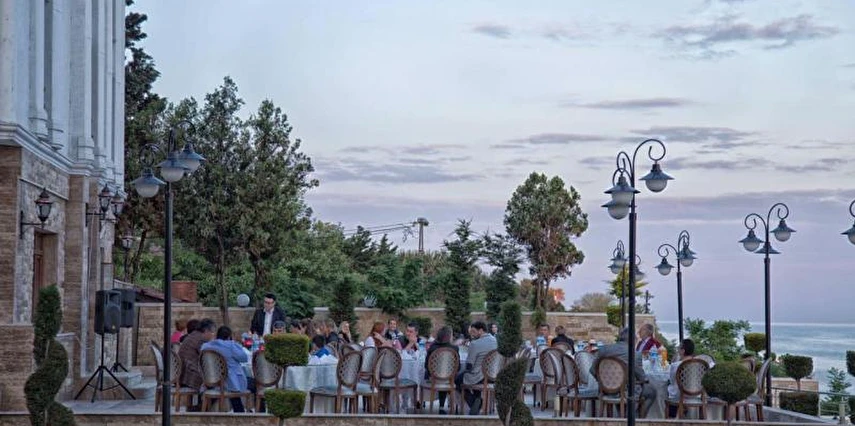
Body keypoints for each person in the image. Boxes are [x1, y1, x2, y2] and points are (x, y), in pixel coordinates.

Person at [592, 327, 656, 417]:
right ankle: (637, 418)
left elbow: (592, 370)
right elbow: (642, 378)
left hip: (606, 391)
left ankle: (623, 415)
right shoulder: (635, 354)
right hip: (626, 392)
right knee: (652, 391)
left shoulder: (603, 350)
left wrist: (604, 382)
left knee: (626, 387)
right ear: (633, 340)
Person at [456, 321, 497, 415]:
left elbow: (469, 365)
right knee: (471, 374)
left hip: (479, 377)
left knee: (457, 379)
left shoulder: (475, 344)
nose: (472, 334)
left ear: (481, 330)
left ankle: (474, 401)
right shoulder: (495, 340)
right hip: (493, 376)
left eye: (474, 332)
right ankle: (476, 401)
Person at [178, 318, 216, 410]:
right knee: (216, 384)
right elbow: (208, 357)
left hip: (183, 373)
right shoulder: (201, 339)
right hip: (190, 375)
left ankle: (200, 407)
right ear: (206, 331)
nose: (213, 335)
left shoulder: (193, 335)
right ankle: (201, 409)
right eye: (212, 332)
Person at [425, 326, 456, 414]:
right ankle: (447, 406)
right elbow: (458, 367)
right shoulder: (454, 348)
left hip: (433, 379)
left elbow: (426, 365)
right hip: (448, 379)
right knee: (449, 378)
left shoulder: (432, 348)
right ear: (449, 336)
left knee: (442, 376)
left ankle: (424, 403)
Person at [667, 339, 696, 403]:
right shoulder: (698, 365)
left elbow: (671, 380)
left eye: (679, 347)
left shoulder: (676, 365)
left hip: (679, 394)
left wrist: (672, 363)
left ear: (683, 351)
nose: (677, 349)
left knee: (661, 389)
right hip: (695, 394)